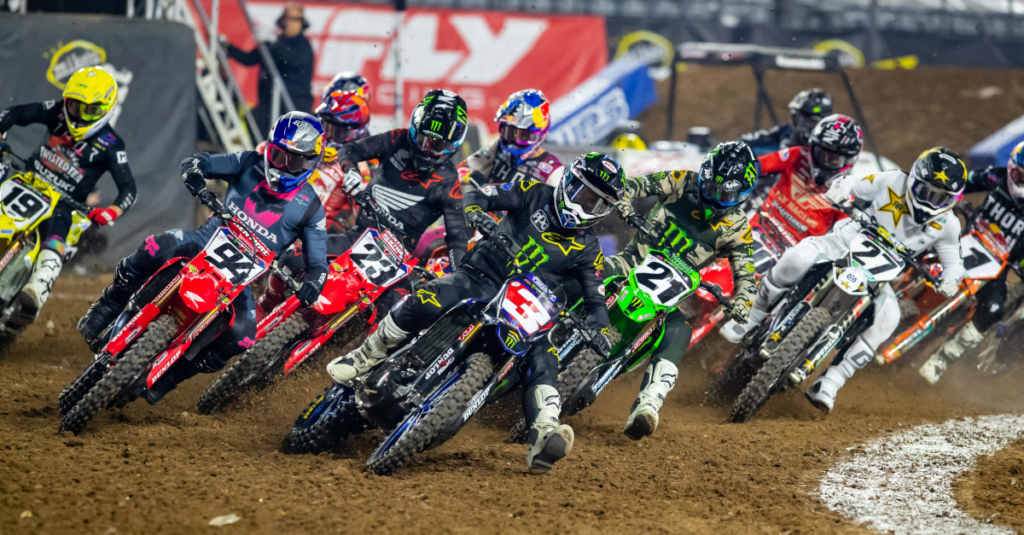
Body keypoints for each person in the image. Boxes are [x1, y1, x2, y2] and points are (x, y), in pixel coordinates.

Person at [327, 153, 624, 473]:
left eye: (598, 203)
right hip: (484, 276)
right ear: (568, 182)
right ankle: (366, 355)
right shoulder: (533, 192)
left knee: (545, 359)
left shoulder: (590, 249)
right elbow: (479, 195)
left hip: (528, 310)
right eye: (585, 195)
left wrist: (600, 331)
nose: (587, 206)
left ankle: (544, 432)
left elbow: (595, 300)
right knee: (429, 297)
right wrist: (476, 211)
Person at [76, 112, 328, 403]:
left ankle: (172, 376)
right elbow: (200, 161)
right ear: (268, 147)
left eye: (294, 161)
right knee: (154, 248)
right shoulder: (248, 162)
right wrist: (195, 176)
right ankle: (107, 306)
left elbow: (319, 264)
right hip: (201, 243)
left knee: (243, 337)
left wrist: (314, 285)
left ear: (310, 162)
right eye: (278, 155)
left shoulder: (311, 208)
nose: (283, 166)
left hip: (239, 280)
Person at [728, 148, 967, 413]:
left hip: (882, 274)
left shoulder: (949, 224)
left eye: (941, 197)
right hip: (843, 242)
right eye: (926, 191)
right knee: (797, 256)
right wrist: (840, 190)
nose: (931, 201)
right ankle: (753, 314)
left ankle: (831, 381)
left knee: (889, 318)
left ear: (952, 200)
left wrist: (951, 279)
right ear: (913, 180)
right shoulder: (892, 180)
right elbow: (852, 182)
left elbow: (955, 262)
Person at [255, 89, 472, 317]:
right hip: (359, 234)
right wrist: (352, 171)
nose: (425, 148)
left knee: (397, 315)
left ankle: (353, 350)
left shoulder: (449, 183)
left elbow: (457, 236)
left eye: (435, 145)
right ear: (413, 129)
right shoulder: (398, 139)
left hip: (397, 262)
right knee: (291, 259)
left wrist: (458, 278)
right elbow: (353, 149)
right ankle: (266, 304)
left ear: (453, 144)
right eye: (421, 139)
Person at [612, 141, 758, 439]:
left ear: (741, 196)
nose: (714, 197)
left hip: (670, 293)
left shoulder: (738, 226)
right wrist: (624, 202)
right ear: (704, 174)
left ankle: (649, 404)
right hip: (630, 263)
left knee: (681, 331)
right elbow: (631, 186)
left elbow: (747, 272)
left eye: (725, 194)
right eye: (711, 187)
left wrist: (743, 301)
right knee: (585, 275)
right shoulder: (681, 181)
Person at [0, 66, 136, 324]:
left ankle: (38, 287)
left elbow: (129, 189)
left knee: (59, 221)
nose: (79, 115)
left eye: (89, 110)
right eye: (74, 106)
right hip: (26, 180)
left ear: (105, 108)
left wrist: (110, 212)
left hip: (64, 203)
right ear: (66, 101)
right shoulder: (57, 111)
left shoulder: (112, 144)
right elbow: (15, 113)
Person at [719, 115, 863, 340]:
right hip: (757, 230)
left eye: (833, 158)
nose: (824, 160)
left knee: (779, 318)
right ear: (812, 146)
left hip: (789, 259)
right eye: (820, 152)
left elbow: (844, 235)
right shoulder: (797, 155)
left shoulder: (848, 194)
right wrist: (736, 174)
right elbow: (757, 167)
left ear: (849, 161)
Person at [918, 141, 1024, 384]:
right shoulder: (997, 178)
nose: (1021, 181)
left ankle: (942, 359)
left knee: (994, 308)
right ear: (1011, 168)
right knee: (920, 244)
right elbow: (960, 182)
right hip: (965, 238)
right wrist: (950, 197)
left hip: (996, 266)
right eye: (1019, 174)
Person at [225, 2, 314, 133]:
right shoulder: (275, 44)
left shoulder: (303, 46)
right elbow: (250, 59)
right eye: (286, 18)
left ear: (302, 23)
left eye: (294, 19)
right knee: (253, 121)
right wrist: (228, 47)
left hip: (292, 107)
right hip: (269, 104)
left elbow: (289, 58)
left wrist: (273, 42)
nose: (289, 23)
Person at [460, 89, 562, 191]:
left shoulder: (554, 172)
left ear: (540, 133)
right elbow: (460, 170)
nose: (513, 142)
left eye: (524, 136)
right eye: (508, 132)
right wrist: (473, 176)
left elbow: (562, 205)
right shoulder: (497, 146)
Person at [741, 88, 833, 157]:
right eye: (798, 118)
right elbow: (752, 141)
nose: (802, 126)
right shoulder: (787, 132)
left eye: (811, 122)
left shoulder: (830, 146)